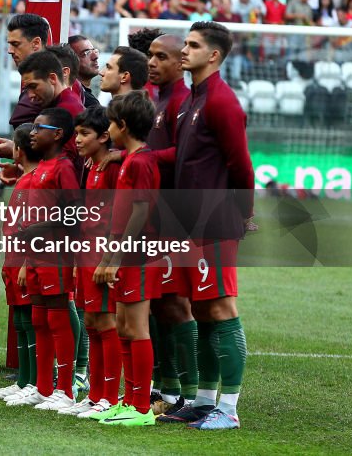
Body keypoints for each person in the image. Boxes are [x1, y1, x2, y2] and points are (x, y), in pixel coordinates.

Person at [163, 22, 253, 430]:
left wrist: (241, 214)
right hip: (188, 224)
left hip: (214, 221)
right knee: (200, 309)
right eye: (186, 43)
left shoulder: (221, 102)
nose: (185, 51)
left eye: (194, 46)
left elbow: (241, 165)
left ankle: (229, 409)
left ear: (213, 55)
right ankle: (203, 401)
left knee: (221, 307)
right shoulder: (189, 102)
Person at [92, 91, 162, 427]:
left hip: (138, 257)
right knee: (122, 326)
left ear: (122, 126)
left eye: (110, 124)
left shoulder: (142, 162)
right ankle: (129, 400)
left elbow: (141, 210)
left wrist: (117, 257)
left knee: (136, 328)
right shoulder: (129, 160)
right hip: (123, 254)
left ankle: (142, 408)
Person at [7, 107, 80, 411]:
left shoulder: (63, 168)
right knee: (39, 317)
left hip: (56, 254)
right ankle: (43, 386)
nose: (33, 133)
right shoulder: (40, 168)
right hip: (36, 255)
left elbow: (74, 214)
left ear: (58, 134)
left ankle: (65, 389)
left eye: (39, 128)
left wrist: (38, 228)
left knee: (57, 315)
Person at [145, 33, 198, 418]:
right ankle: (170, 389)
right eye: (150, 55)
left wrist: (143, 157)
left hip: (177, 215)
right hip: (157, 213)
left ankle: (192, 395)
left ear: (181, 62)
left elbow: (186, 153)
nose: (152, 62)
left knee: (177, 303)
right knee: (161, 304)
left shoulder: (181, 100)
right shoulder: (160, 99)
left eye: (161, 57)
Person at [63, 106, 122, 419]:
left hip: (103, 253)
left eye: (84, 134)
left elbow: (119, 215)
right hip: (86, 252)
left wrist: (111, 257)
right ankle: (95, 393)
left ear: (104, 136)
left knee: (106, 322)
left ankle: (109, 397)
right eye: (76, 133)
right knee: (91, 322)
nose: (78, 139)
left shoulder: (113, 168)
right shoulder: (92, 166)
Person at [0, 123, 41, 404]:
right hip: (14, 257)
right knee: (21, 320)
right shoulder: (25, 179)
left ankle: (35, 381)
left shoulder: (36, 181)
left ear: (18, 151)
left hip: (25, 257)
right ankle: (24, 379)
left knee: (31, 320)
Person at [0, 13, 50, 168]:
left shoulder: (51, 83)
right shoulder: (30, 78)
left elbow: (57, 146)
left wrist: (14, 151)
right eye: (9, 44)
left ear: (36, 43)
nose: (10, 51)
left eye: (16, 44)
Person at [16, 51, 85, 161]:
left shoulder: (68, 108)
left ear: (52, 78)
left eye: (33, 86)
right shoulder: (57, 104)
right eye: (27, 89)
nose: (30, 96)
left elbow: (65, 160)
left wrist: (19, 152)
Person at [67, 34, 102, 108]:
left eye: (94, 51)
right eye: (86, 53)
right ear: (70, 62)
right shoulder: (84, 101)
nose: (95, 57)